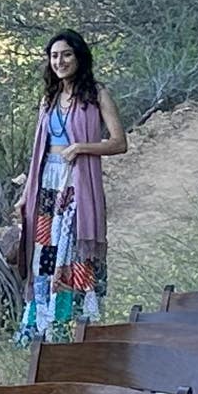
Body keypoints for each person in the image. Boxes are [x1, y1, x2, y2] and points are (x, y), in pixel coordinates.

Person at [16, 29, 128, 341]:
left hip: (77, 185)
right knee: (45, 253)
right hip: (47, 184)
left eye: (66, 54)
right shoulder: (49, 98)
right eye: (54, 56)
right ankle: (43, 327)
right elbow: (38, 152)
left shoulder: (96, 94)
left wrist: (81, 147)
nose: (60, 61)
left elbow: (119, 142)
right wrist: (26, 195)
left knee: (73, 251)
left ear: (79, 56)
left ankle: (75, 326)